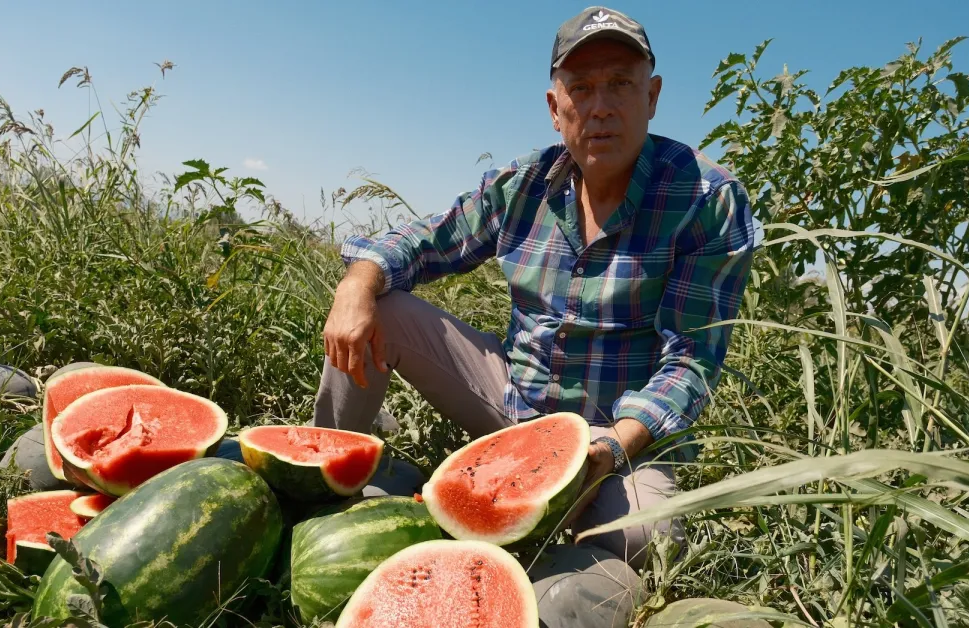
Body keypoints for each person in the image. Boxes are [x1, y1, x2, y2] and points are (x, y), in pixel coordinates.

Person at [315, 5, 755, 571]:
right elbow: (427, 241)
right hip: (510, 396)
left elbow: (692, 359)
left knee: (647, 536)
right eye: (581, 87)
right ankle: (324, 479)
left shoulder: (706, 199)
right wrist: (356, 283)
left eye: (621, 84)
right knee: (382, 305)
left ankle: (565, 572)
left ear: (652, 96)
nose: (601, 106)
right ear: (555, 108)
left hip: (616, 434)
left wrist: (613, 446)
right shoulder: (523, 184)